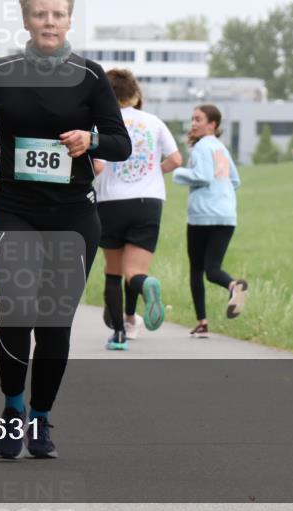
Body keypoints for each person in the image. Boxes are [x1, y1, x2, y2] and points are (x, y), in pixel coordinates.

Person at [0, 0, 131, 459]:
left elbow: (119, 142)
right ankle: (13, 409)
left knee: (55, 323)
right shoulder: (1, 70)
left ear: (69, 20)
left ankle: (41, 417)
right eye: (40, 13)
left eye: (58, 14)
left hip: (73, 214)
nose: (49, 21)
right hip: (15, 210)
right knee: (18, 314)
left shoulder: (89, 75)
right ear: (25, 19)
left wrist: (92, 140)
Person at [94, 69, 182, 349]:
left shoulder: (100, 124)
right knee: (135, 272)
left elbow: (97, 165)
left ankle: (119, 335)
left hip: (110, 202)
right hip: (148, 201)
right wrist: (153, 172)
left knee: (114, 271)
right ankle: (145, 287)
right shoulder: (153, 122)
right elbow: (176, 159)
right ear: (134, 93)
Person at [172, 104, 248, 337]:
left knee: (197, 270)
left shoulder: (202, 147)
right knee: (213, 268)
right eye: (192, 119)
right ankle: (233, 287)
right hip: (226, 215)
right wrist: (220, 192)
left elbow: (202, 177)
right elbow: (235, 181)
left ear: (212, 125)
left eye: (198, 119)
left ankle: (204, 320)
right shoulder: (221, 149)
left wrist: (178, 173)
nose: (193, 124)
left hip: (202, 216)